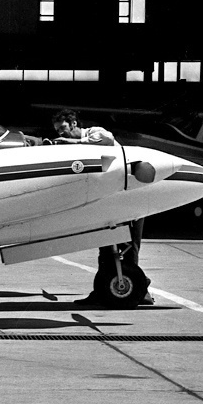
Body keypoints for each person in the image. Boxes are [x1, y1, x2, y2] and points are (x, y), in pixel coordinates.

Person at [50, 109, 154, 306]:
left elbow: (107, 140)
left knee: (127, 247)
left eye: (63, 128)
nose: (61, 134)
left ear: (73, 124)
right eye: (57, 130)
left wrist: (71, 142)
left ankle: (140, 291)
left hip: (128, 199)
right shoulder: (73, 147)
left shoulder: (94, 133)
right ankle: (102, 292)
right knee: (106, 248)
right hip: (109, 203)